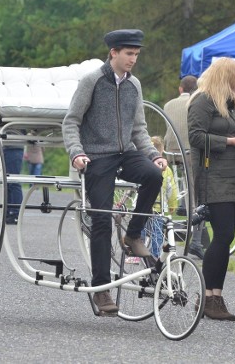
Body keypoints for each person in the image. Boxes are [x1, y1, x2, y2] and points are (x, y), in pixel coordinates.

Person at [63, 28, 166, 315]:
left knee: (153, 176)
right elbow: (71, 121)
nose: (133, 59)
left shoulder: (135, 85)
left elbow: (139, 129)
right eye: (129, 54)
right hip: (96, 155)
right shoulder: (92, 81)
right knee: (102, 219)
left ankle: (133, 236)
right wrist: (77, 152)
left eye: (136, 54)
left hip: (126, 152)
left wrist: (153, 155)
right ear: (114, 53)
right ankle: (102, 289)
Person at [188, 57, 235, 321]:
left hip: (234, 179)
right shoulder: (203, 100)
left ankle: (215, 296)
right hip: (213, 178)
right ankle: (207, 297)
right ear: (224, 76)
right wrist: (231, 142)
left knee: (225, 239)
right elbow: (195, 136)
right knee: (223, 235)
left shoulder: (230, 104)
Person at [163, 75, 207, 259]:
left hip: (170, 153)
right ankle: (196, 238)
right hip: (189, 152)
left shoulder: (168, 105)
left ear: (181, 89)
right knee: (195, 194)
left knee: (183, 188)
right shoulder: (197, 103)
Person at [142, 136, 178, 258]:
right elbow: (171, 189)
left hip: (143, 205)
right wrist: (173, 204)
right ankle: (155, 255)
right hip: (159, 206)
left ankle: (136, 254)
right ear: (162, 151)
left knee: (140, 228)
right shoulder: (166, 169)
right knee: (157, 233)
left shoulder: (143, 165)